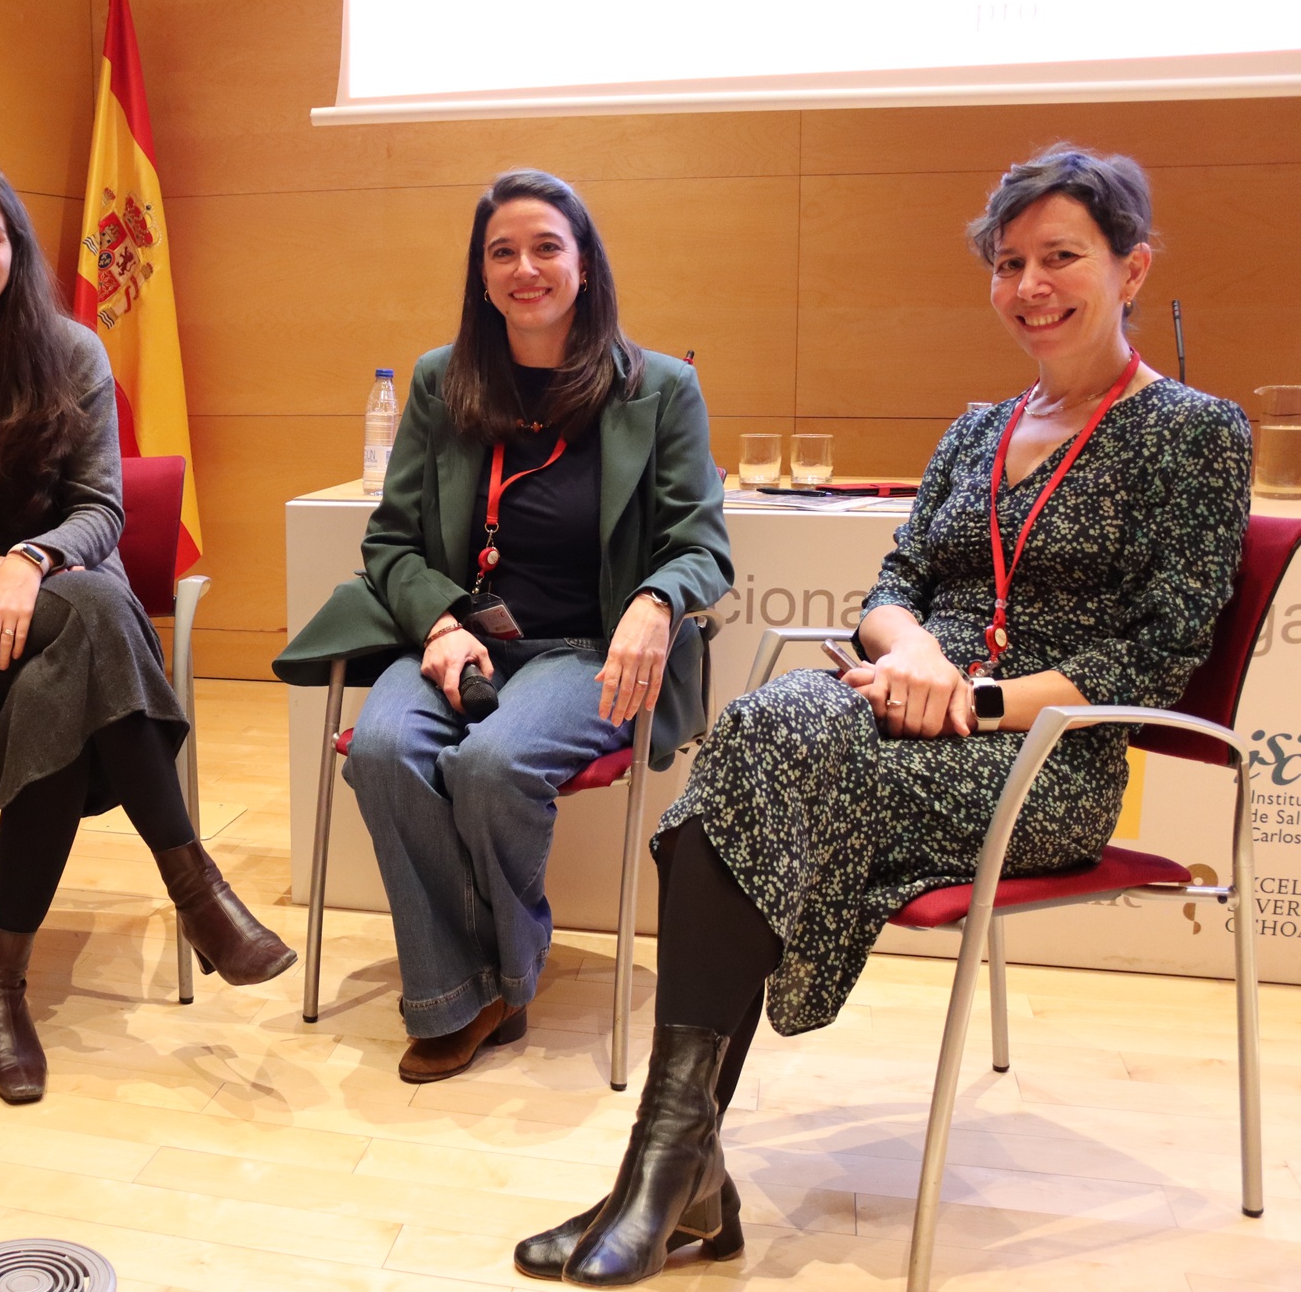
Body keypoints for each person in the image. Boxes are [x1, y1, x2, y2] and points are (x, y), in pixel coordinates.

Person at [513, 145, 1255, 1286]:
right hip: (898, 713)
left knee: (761, 753)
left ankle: (667, 1176)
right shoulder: (975, 428)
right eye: (1008, 262)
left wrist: (978, 697)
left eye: (1061, 256)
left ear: (1130, 266)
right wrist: (909, 651)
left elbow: (1154, 658)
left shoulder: (1193, 433)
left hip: (1044, 754)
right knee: (763, 737)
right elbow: (893, 584)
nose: (1028, 285)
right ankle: (671, 1173)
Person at [0, 156, 295, 1106]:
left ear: (17, 249)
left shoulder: (71, 353)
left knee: (72, 665)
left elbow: (100, 508)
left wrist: (32, 562)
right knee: (94, 627)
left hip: (74, 597)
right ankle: (197, 890)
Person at [275, 169, 732, 1085]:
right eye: (502, 252)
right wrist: (440, 621)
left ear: (585, 263)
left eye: (546, 247)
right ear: (482, 275)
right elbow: (391, 539)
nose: (525, 268)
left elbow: (703, 546)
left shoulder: (660, 388)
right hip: (460, 640)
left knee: (489, 765)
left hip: (587, 648)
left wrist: (655, 601)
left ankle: (493, 981)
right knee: (382, 749)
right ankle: (473, 987)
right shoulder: (446, 381)